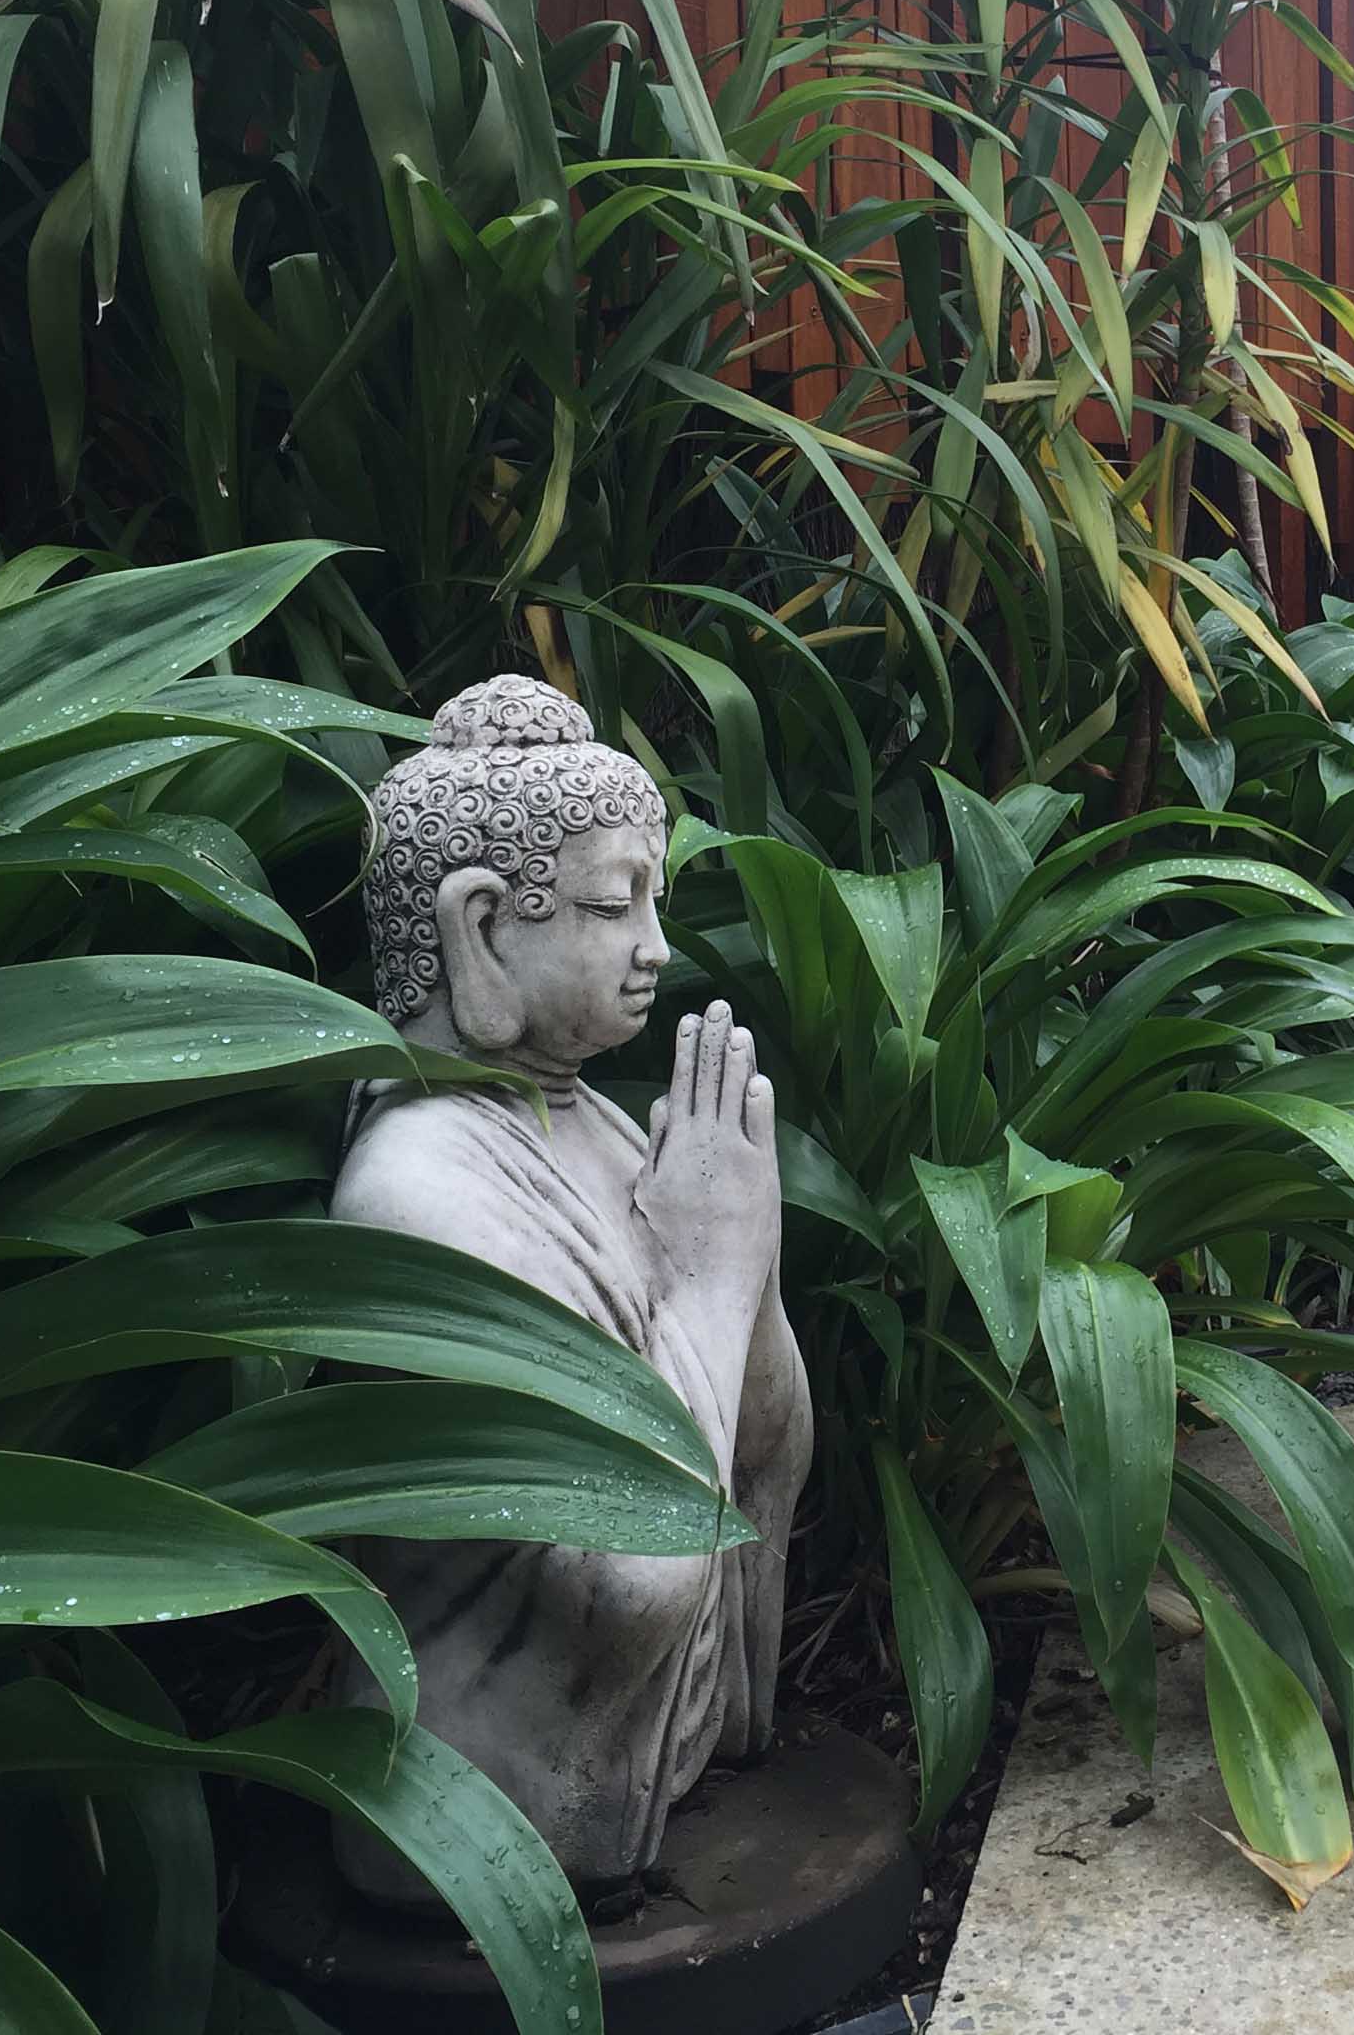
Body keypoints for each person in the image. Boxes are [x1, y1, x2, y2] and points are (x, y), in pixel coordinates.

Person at [331, 676, 812, 1892]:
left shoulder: (591, 1125)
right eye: (612, 904)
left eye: (655, 901)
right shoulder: (416, 1193)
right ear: (479, 928)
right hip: (483, 1807)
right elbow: (630, 1575)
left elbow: (760, 1452)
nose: (655, 946)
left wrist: (744, 1264)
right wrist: (708, 1277)